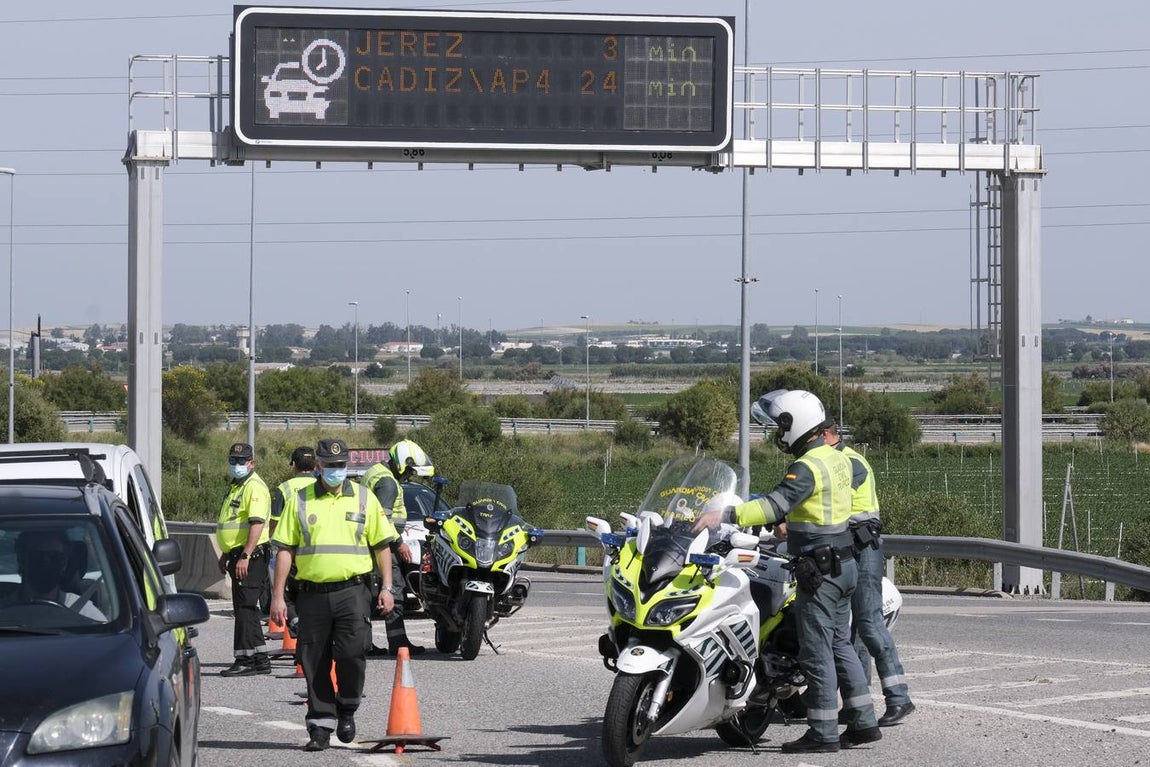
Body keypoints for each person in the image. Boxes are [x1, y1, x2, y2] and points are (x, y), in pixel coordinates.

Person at [695, 389, 880, 753]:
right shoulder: (838, 459)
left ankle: (824, 732)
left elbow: (773, 506)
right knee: (840, 642)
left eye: (781, 428)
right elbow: (814, 507)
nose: (778, 436)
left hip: (820, 568)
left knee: (816, 649)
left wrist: (726, 514)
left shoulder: (807, 466)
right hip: (845, 562)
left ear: (796, 425)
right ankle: (863, 721)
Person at [269, 438, 398, 752]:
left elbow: (382, 545)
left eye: (341, 466)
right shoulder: (300, 500)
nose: (335, 471)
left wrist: (387, 586)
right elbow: (285, 550)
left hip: (352, 592)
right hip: (311, 595)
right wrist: (277, 596)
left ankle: (347, 707)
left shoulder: (364, 499)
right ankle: (320, 726)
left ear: (347, 466)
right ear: (318, 466)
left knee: (353, 654)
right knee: (314, 660)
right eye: (329, 466)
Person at [823, 421, 916, 727]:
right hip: (845, 550)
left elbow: (830, 498)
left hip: (863, 549)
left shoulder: (850, 462)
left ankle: (899, 698)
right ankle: (855, 705)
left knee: (869, 624)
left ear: (826, 435)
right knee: (850, 633)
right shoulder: (834, 460)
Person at [360, 438, 433, 655]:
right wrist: (399, 542)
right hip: (383, 543)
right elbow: (383, 519)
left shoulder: (375, 472)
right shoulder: (388, 483)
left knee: (368, 593)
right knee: (395, 590)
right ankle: (398, 643)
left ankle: (366, 644)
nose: (409, 475)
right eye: (409, 470)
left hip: (370, 541)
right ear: (401, 462)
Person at [216, 442, 272, 677]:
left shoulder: (254, 487)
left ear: (252, 463)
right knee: (244, 607)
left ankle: (245, 659)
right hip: (238, 554)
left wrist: (246, 555)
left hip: (251, 555)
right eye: (233, 461)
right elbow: (232, 523)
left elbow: (256, 524)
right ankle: (259, 658)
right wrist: (227, 553)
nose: (237, 465)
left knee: (246, 608)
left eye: (241, 461)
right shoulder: (237, 486)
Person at [268, 446, 317, 638]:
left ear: (293, 465)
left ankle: (296, 622)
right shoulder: (323, 485)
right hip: (315, 548)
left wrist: (272, 540)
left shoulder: (284, 488)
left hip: (291, 549)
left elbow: (275, 520)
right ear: (315, 465)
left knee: (287, 591)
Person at [12, 529, 106, 621]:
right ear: (21, 560)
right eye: (37, 556)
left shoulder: (85, 613)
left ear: (64, 563)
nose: (46, 562)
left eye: (54, 556)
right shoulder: (4, 608)